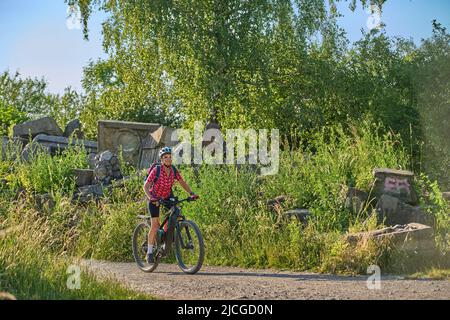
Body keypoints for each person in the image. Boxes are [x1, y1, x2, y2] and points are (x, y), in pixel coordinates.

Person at [143, 146, 198, 263]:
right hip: (154, 198)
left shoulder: (173, 170)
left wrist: (191, 193)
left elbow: (182, 182)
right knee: (155, 224)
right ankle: (149, 252)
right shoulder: (156, 170)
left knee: (176, 213)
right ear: (161, 160)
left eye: (170, 157)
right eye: (165, 157)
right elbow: (146, 186)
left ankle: (167, 239)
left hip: (167, 196)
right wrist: (151, 197)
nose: (168, 159)